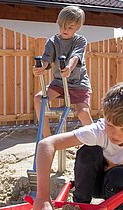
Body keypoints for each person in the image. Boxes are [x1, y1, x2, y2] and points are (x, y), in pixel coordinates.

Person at [33, 5, 93, 138]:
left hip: (78, 84)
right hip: (59, 83)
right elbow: (46, 59)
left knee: (83, 113)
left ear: (77, 27)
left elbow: (75, 57)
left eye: (70, 27)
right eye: (62, 26)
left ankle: (96, 142)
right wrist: (41, 67)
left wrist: (69, 68)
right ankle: (47, 137)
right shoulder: (52, 41)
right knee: (39, 98)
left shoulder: (80, 40)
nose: (65, 30)